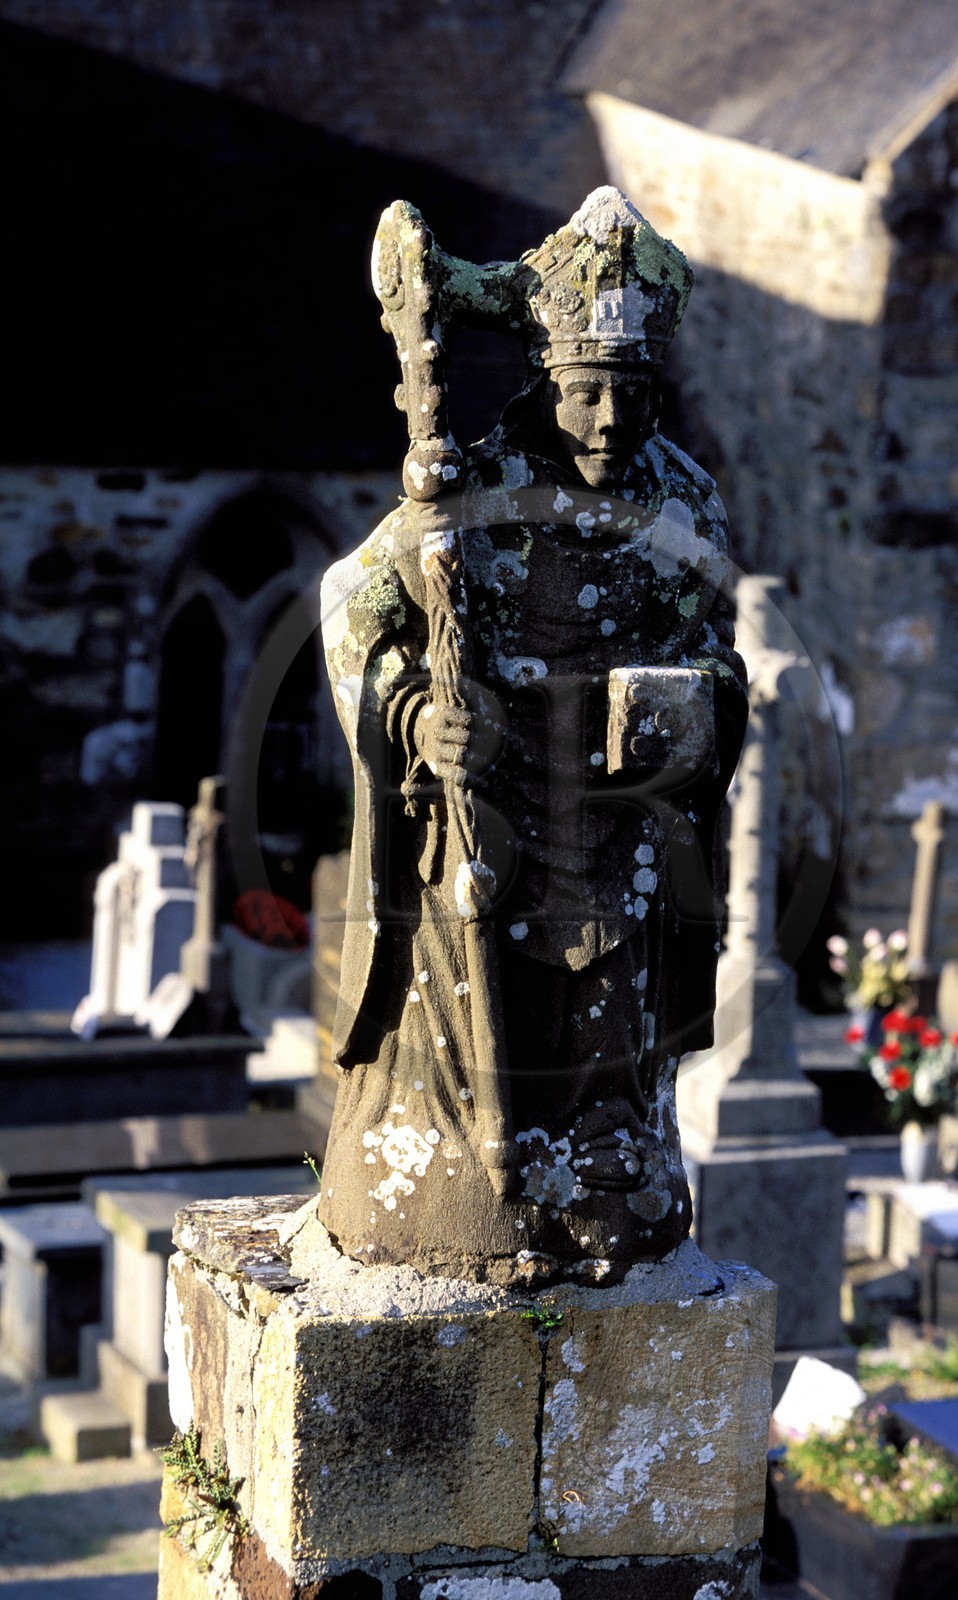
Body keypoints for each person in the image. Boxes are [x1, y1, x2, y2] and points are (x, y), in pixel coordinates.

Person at [317, 189, 747, 1285]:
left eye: (635, 394)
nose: (611, 421)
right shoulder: (473, 492)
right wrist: (418, 715)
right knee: (476, 1002)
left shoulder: (684, 509)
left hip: (615, 819)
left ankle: (603, 1161)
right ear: (547, 383)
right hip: (489, 809)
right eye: (590, 392)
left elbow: (716, 654)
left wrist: (685, 706)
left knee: (610, 1003)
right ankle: (472, 1172)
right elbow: (352, 614)